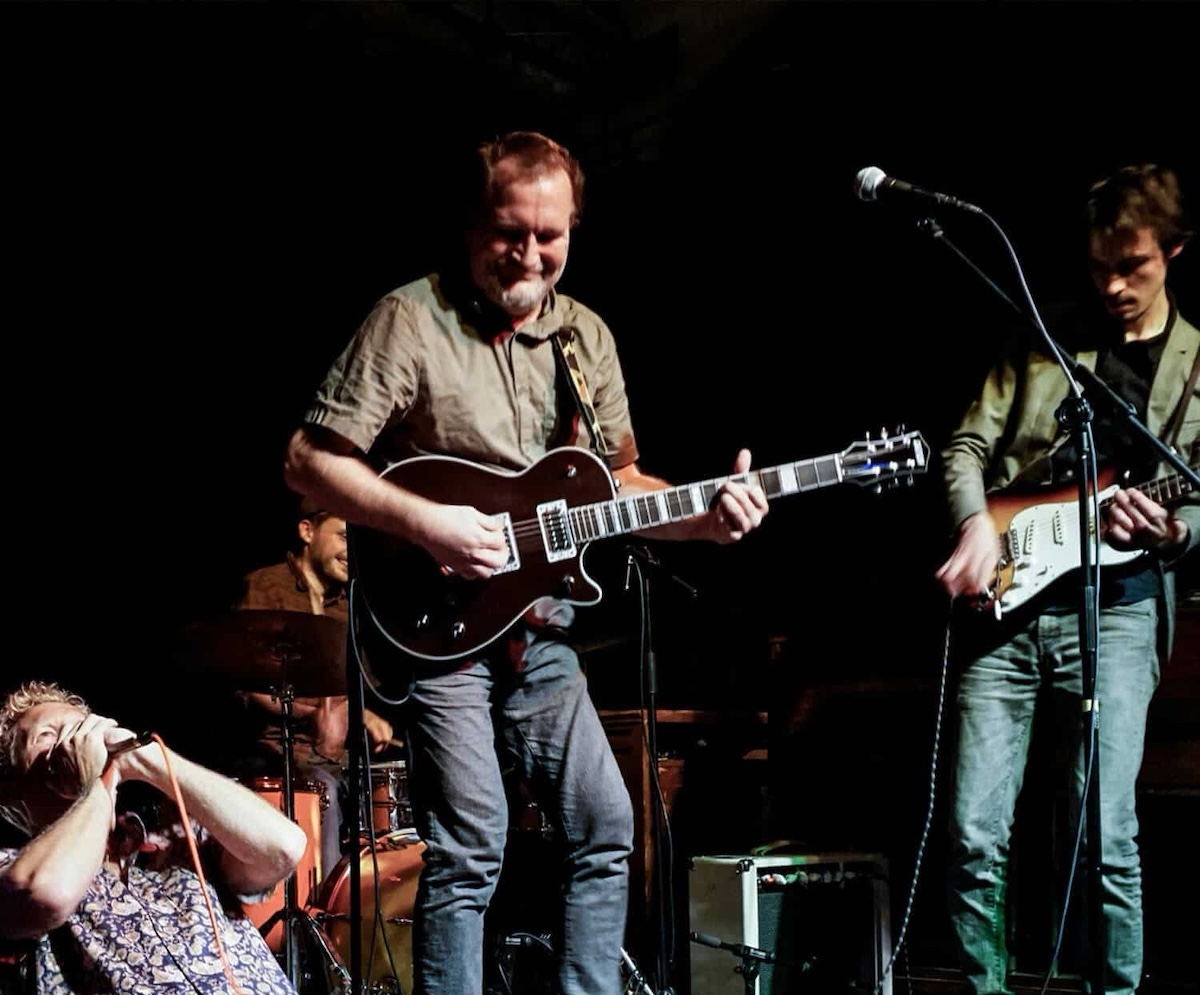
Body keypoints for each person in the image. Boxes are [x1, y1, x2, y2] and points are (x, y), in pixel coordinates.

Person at [281, 129, 769, 995]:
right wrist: (429, 523)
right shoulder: (410, 319)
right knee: (472, 843)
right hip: (438, 626)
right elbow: (308, 460)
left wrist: (705, 520)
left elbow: (618, 483)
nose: (530, 254)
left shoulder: (584, 337)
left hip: (541, 628)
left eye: (551, 235)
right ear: (473, 225)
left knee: (605, 825)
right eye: (511, 232)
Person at [935, 162, 1198, 995]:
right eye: (1099, 267)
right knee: (975, 833)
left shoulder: (1198, 366)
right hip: (1005, 604)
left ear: (1175, 250)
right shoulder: (1045, 339)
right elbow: (965, 446)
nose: (1113, 285)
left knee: (1105, 832)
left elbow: (1198, 501)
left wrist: (1175, 529)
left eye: (1133, 265)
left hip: (1118, 610)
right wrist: (976, 524)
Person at [0, 679, 310, 994]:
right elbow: (46, 893)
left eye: (81, 728)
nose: (75, 740)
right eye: (47, 734)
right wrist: (93, 786)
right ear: (11, 795)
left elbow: (283, 848)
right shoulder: (11, 867)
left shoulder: (179, 843)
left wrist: (144, 757)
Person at [233, 496, 397, 886]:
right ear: (307, 531)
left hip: (341, 759)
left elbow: (355, 684)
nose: (351, 550)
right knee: (323, 790)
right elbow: (247, 686)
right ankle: (321, 910)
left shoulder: (349, 605)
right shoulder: (266, 587)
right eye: (343, 536)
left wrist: (359, 713)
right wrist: (313, 715)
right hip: (276, 756)